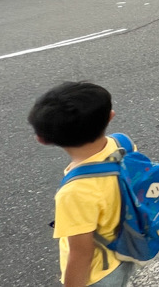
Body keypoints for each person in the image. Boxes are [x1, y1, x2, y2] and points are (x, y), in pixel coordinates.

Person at [28, 82, 134, 287]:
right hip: (127, 246)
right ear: (110, 116)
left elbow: (81, 254)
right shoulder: (122, 144)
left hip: (100, 273)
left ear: (42, 140)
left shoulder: (75, 193)